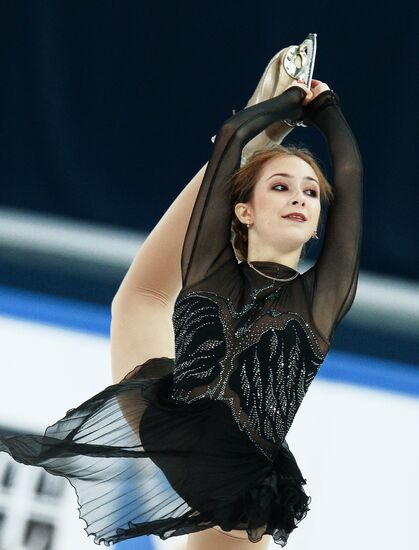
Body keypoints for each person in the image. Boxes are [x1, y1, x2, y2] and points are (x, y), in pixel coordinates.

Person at [0, 53, 362, 549]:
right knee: (141, 299)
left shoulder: (323, 294)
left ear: (321, 218)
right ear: (244, 210)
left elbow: (348, 168)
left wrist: (322, 107)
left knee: (142, 302)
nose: (299, 197)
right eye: (279, 187)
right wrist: (274, 113)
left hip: (240, 475)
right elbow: (230, 141)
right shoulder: (211, 268)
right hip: (172, 426)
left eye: (310, 193)